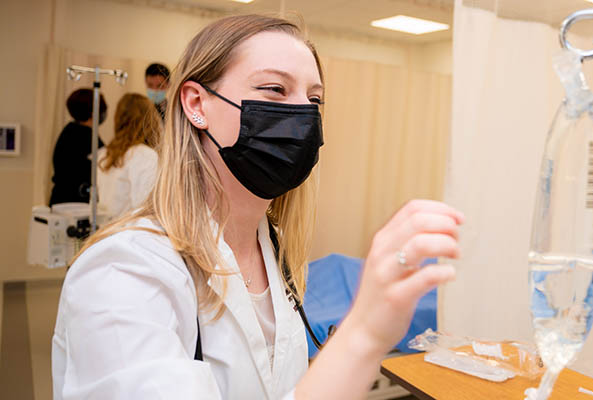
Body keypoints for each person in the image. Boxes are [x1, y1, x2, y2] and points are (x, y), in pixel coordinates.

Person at [52, 14, 462, 399]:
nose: (303, 112)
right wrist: (365, 335)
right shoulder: (125, 272)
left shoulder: (275, 249)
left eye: (314, 99)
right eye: (275, 89)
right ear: (196, 104)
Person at [96, 93, 161, 217]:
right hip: (130, 231)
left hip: (108, 230)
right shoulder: (144, 155)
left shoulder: (104, 154)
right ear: (148, 120)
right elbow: (144, 208)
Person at [49, 88, 107, 206]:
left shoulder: (69, 130)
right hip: (74, 204)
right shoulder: (87, 136)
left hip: (60, 200)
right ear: (93, 112)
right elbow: (106, 165)